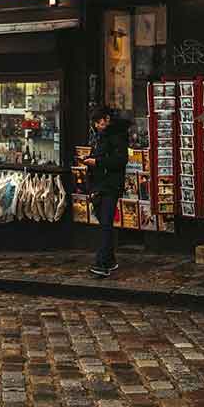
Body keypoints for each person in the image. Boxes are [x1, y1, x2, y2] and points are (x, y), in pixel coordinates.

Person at [83, 105, 129, 278]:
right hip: (100, 185)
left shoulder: (115, 135)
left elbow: (120, 160)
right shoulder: (100, 136)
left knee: (106, 224)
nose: (98, 125)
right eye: (96, 122)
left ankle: (101, 264)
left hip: (110, 186)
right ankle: (109, 260)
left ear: (107, 119)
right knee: (104, 223)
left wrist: (97, 162)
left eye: (100, 121)